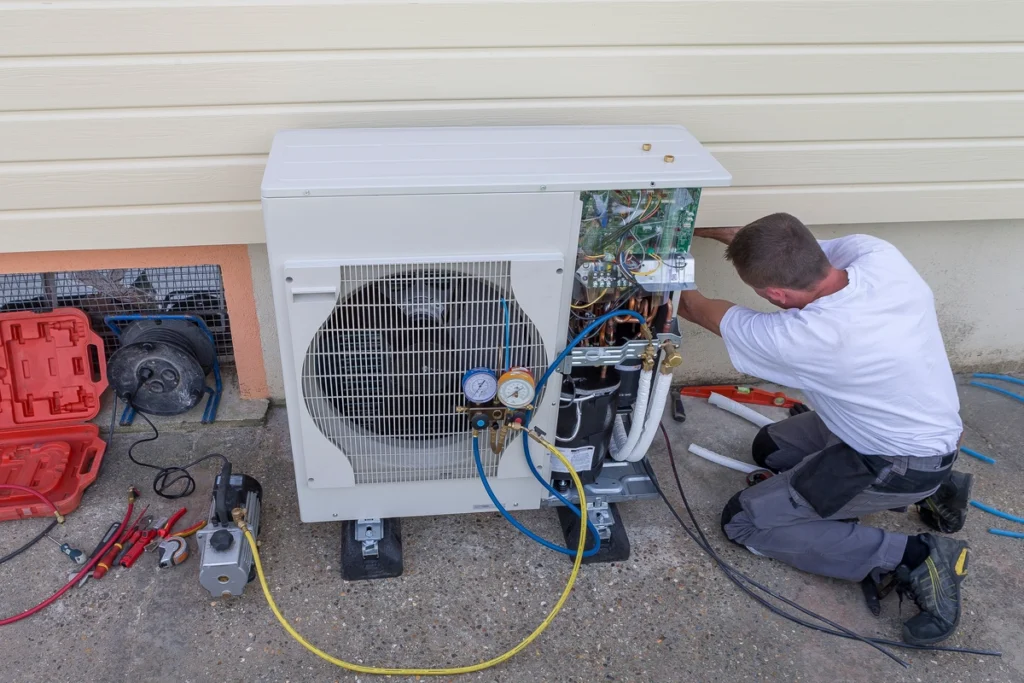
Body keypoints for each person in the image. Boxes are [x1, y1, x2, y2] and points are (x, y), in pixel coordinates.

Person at [676, 212, 971, 645]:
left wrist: (662, 250)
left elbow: (689, 305)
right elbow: (759, 240)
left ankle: (915, 556)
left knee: (745, 521)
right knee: (769, 448)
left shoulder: (809, 336)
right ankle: (940, 487)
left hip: (895, 459)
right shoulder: (878, 257)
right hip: (910, 427)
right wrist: (679, 226)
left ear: (775, 294)